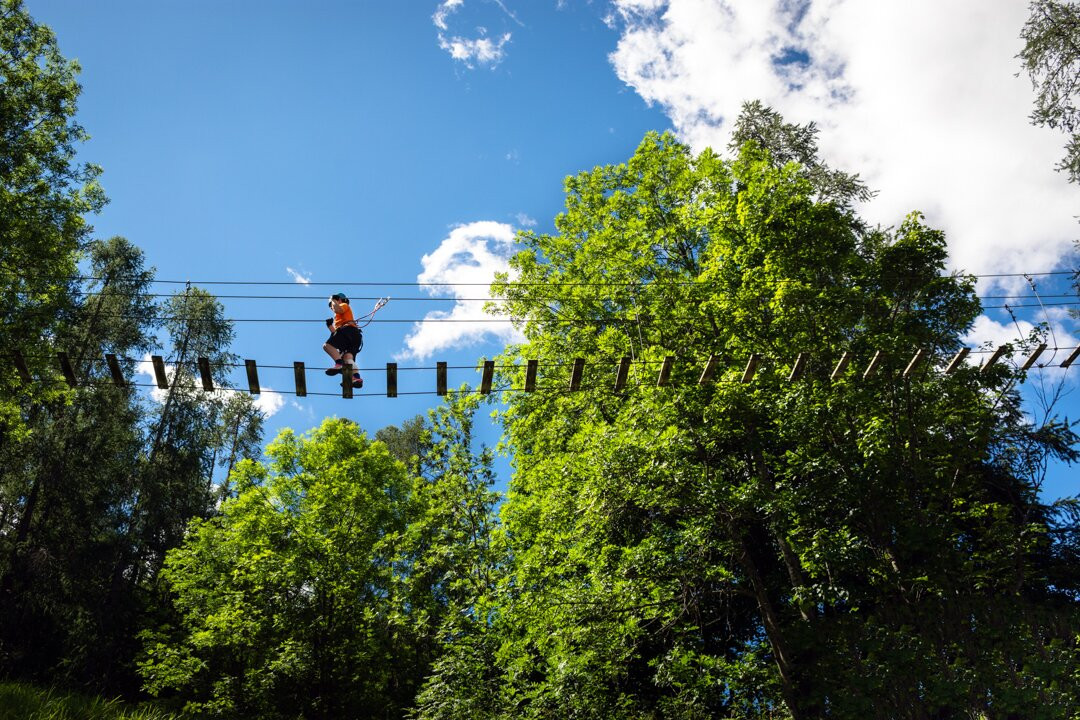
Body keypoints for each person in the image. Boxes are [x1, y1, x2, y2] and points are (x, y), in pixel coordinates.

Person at [323, 292, 363, 388]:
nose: (332, 308)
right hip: (355, 336)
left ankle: (339, 364)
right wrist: (330, 326)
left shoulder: (343, 305)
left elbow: (338, 309)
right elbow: (336, 334)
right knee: (347, 357)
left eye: (331, 305)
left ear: (339, 300)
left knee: (327, 346)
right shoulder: (341, 317)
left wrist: (333, 300)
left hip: (348, 331)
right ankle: (356, 378)